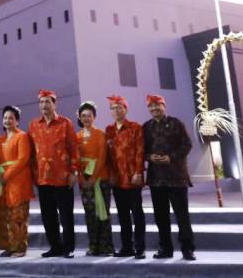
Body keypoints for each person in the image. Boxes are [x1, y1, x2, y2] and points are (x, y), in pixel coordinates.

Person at [28, 89, 80, 258]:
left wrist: (74, 172)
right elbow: (31, 153)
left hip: (63, 177)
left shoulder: (65, 123)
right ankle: (55, 246)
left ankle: (68, 248)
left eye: (47, 102)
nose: (44, 105)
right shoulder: (34, 125)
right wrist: (34, 174)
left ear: (55, 104)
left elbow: (74, 149)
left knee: (66, 216)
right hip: (43, 178)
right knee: (48, 216)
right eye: (41, 102)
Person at [144, 94, 196, 261]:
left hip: (177, 178)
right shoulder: (146, 127)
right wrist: (149, 157)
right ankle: (165, 248)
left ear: (164, 105)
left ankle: (187, 249)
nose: (154, 109)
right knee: (161, 216)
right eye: (151, 106)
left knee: (182, 215)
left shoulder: (176, 123)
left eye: (157, 105)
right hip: (156, 179)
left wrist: (171, 157)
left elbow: (187, 144)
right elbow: (141, 150)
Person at [105, 95, 146, 259]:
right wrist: (111, 175)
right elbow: (107, 155)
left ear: (125, 109)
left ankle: (140, 247)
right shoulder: (109, 130)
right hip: (117, 179)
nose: (116, 111)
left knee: (137, 213)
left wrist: (138, 172)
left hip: (132, 177)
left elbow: (140, 151)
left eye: (119, 107)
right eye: (113, 108)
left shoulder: (135, 127)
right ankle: (126, 247)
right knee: (122, 215)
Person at [0, 104, 32, 257]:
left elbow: (23, 159)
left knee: (18, 215)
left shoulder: (22, 136)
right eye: (5, 118)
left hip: (18, 180)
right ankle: (8, 246)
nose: (7, 120)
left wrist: (7, 174)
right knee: (5, 215)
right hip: (3, 181)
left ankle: (20, 247)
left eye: (11, 118)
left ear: (17, 121)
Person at [76, 101, 113, 256]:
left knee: (102, 213)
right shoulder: (77, 136)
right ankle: (93, 246)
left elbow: (102, 157)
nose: (86, 118)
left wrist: (93, 177)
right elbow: (76, 159)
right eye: (83, 116)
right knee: (90, 214)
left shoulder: (100, 134)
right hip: (84, 180)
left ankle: (106, 247)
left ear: (94, 117)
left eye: (89, 115)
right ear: (79, 117)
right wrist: (82, 178)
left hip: (100, 179)